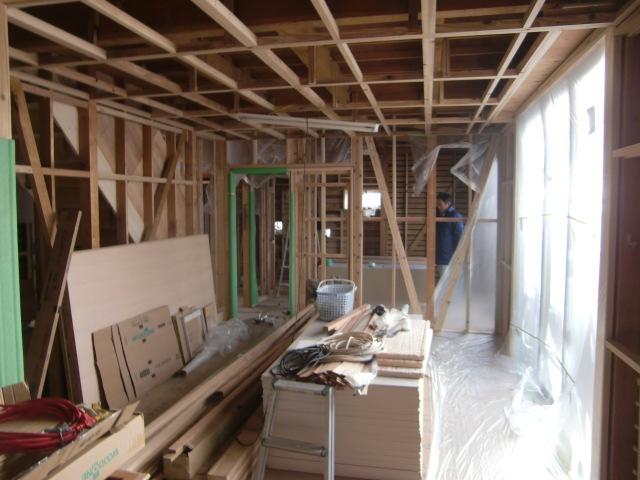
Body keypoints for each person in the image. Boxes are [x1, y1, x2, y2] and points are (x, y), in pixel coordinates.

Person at [435, 192, 464, 278]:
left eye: (440, 204)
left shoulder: (455, 216)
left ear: (448, 204)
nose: (438, 206)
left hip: (449, 259)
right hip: (441, 257)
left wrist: (458, 257)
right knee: (442, 282)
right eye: (437, 204)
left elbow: (460, 238)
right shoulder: (439, 215)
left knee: (446, 283)